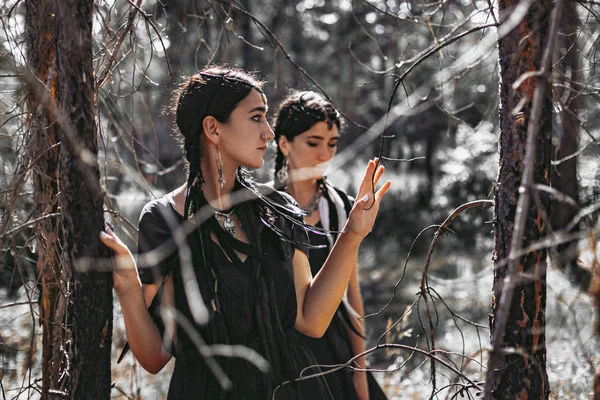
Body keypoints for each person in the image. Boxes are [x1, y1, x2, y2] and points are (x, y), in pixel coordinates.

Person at [100, 66, 390, 399]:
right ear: (213, 128)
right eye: (256, 118)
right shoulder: (165, 220)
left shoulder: (276, 208)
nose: (268, 133)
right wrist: (126, 286)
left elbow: (311, 319)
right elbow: (154, 357)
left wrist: (352, 233)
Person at [273, 91, 388, 400]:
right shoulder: (264, 210)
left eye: (332, 144)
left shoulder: (339, 208)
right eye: (313, 143)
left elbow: (351, 296)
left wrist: (361, 374)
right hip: (279, 359)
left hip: (334, 352)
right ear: (284, 143)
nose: (324, 154)